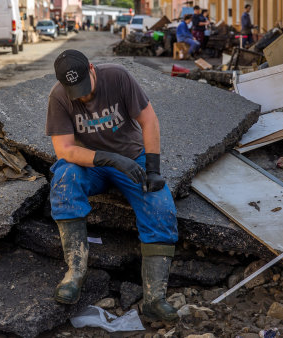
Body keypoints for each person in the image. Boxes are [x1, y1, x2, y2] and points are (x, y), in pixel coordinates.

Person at [46, 50, 179, 322]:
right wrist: (109, 159)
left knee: (160, 206)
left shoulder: (117, 77)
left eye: (85, 87)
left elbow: (149, 120)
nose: (82, 97)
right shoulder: (58, 95)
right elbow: (66, 150)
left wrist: (152, 169)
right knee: (64, 178)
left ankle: (155, 298)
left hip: (132, 157)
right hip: (90, 164)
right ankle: (75, 273)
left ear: (92, 69)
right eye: (76, 92)